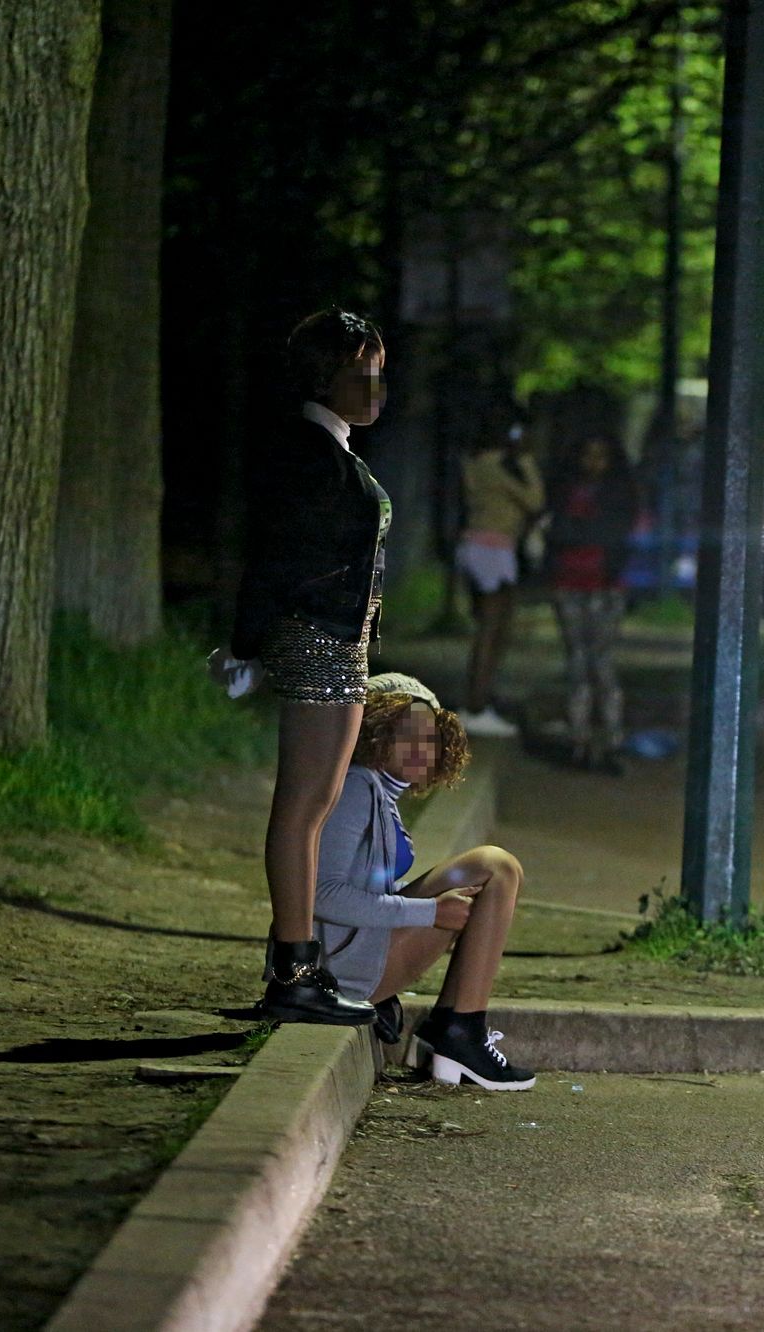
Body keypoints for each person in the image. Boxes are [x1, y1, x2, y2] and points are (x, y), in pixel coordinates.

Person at [225, 308, 391, 1026]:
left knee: (313, 806)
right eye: (360, 373)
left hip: (336, 639)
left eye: (379, 373)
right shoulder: (306, 454)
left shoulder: (330, 451)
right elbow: (276, 556)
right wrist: (246, 645)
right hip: (318, 640)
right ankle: (293, 967)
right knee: (303, 806)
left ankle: (296, 960)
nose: (376, 388)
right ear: (323, 377)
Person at [314, 673, 534, 1091]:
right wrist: (431, 911)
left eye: (432, 738)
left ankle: (455, 1028)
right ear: (374, 732)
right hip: (341, 972)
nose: (423, 749)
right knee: (496, 866)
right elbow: (321, 897)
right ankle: (461, 1033)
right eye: (407, 735)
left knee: (496, 868)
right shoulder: (357, 787)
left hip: (352, 955)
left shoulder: (378, 790)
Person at [544, 432, 639, 773]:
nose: (594, 464)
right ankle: (579, 740)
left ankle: (611, 740)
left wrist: (577, 532)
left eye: (601, 456)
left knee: (601, 662)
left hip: (605, 586)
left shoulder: (619, 493)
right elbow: (557, 532)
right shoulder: (564, 489)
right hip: (569, 584)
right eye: (589, 455)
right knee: (577, 662)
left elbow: (611, 534)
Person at [454, 423, 544, 737]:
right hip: (492, 549)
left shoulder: (472, 463)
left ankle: (481, 700)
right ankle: (476, 706)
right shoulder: (495, 466)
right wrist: (527, 462)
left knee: (493, 628)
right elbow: (534, 500)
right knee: (492, 630)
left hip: (482, 546)